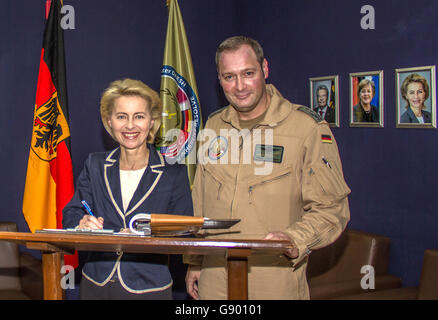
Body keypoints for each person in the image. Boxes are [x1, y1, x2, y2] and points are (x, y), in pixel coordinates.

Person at [184, 36, 350, 300]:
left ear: (265, 69)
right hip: (214, 280)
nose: (239, 86)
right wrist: (195, 261)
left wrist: (294, 239)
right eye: (229, 77)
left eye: (248, 73)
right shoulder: (213, 126)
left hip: (273, 280)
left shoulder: (306, 128)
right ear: (219, 78)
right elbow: (200, 201)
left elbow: (332, 209)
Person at [62, 78, 193, 300]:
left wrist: (144, 234)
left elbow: (185, 231)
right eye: (121, 116)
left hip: (149, 287)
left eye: (139, 116)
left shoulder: (174, 173)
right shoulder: (94, 165)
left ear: (151, 121)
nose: (130, 125)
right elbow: (71, 214)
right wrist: (81, 223)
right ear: (109, 121)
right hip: (96, 284)